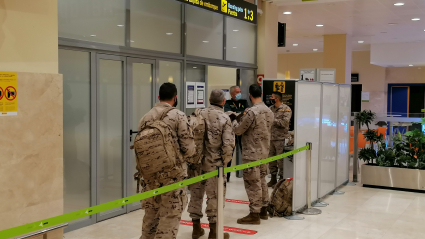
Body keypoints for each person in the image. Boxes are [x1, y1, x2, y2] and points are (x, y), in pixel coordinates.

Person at [138, 82, 196, 239]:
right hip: (173, 177)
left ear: (158, 97)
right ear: (175, 97)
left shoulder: (146, 117)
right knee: (170, 217)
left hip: (150, 177)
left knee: (150, 217)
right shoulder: (178, 116)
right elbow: (189, 150)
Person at [188, 89, 235, 239]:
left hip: (196, 162)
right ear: (223, 101)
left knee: (196, 194)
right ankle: (214, 232)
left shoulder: (198, 114)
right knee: (214, 196)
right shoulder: (224, 118)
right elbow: (228, 145)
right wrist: (224, 163)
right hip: (215, 165)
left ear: (208, 99)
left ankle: (196, 228)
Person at [233, 84, 273, 225]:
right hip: (264, 152)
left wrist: (233, 120)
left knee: (252, 183)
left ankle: (254, 214)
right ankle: (263, 209)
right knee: (262, 180)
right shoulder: (269, 111)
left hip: (252, 154)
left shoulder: (251, 112)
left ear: (250, 95)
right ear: (261, 94)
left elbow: (238, 130)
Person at [224, 86, 249, 182]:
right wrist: (241, 114)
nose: (239, 93)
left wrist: (236, 114)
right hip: (232, 132)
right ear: (232, 94)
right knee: (230, 154)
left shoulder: (244, 102)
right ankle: (228, 177)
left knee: (245, 154)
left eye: (240, 91)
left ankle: (246, 175)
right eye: (237, 92)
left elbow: (247, 113)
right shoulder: (228, 103)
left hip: (242, 131)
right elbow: (228, 114)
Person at [267, 91, 292, 187]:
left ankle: (281, 181)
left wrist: (272, 120)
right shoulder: (270, 109)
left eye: (272, 97)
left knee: (280, 161)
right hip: (270, 138)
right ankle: (273, 179)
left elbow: (284, 123)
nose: (270, 98)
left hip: (281, 139)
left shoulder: (286, 109)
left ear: (276, 99)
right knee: (271, 160)